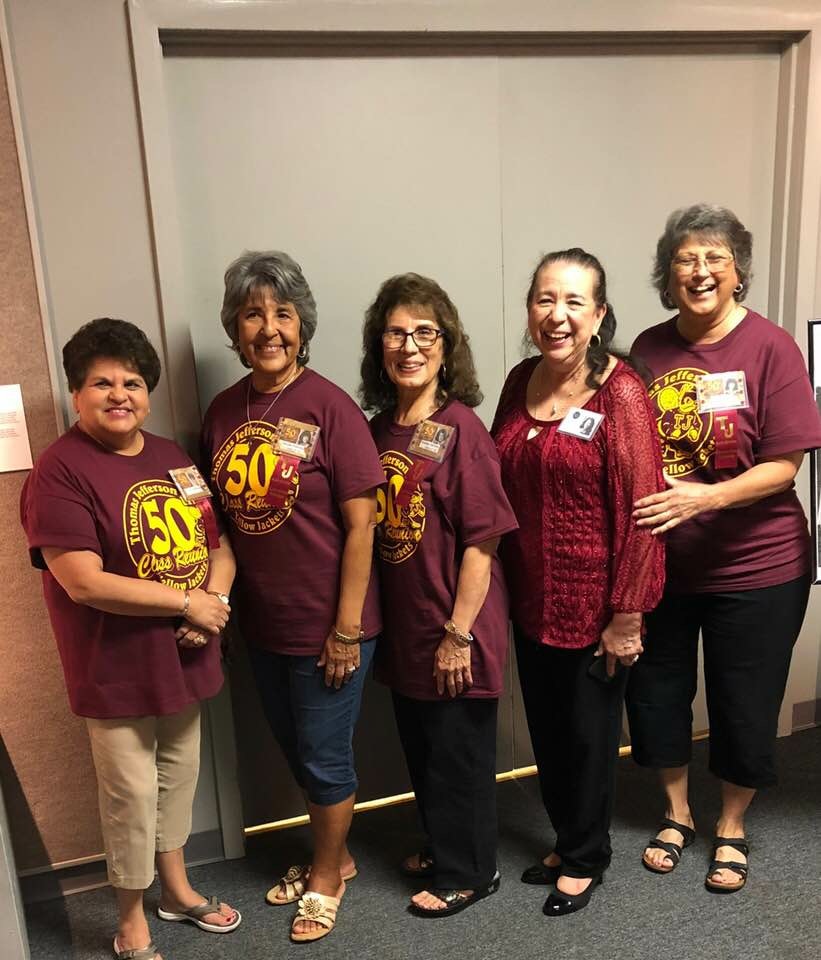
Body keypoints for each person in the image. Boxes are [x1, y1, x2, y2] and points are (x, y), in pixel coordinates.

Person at [20, 318, 240, 960]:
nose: (120, 394)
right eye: (102, 382)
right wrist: (187, 602)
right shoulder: (59, 472)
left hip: (185, 655)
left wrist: (214, 604)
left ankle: (176, 889)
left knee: (178, 778)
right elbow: (83, 581)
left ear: (148, 393)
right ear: (75, 394)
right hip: (112, 665)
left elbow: (218, 544)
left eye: (133, 382)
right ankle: (130, 918)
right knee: (131, 795)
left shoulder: (173, 457)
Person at [627, 204, 821, 893]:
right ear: (666, 273)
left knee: (744, 700)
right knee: (656, 693)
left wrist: (702, 498)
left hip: (758, 567)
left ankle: (731, 824)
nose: (699, 270)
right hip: (664, 565)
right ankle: (676, 813)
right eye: (685, 258)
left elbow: (785, 464)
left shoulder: (770, 348)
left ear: (737, 271)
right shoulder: (646, 350)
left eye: (714, 257)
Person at [201, 251, 384, 943]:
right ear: (235, 327)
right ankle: (331, 856)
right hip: (264, 624)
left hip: (330, 626)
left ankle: (328, 876)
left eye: (281, 313)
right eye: (253, 313)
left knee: (325, 757)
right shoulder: (223, 412)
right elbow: (218, 522)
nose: (268, 328)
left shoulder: (329, 406)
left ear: (302, 324)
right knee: (299, 751)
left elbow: (362, 526)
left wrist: (344, 630)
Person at [492, 248, 665, 916]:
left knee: (590, 737)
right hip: (530, 597)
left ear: (596, 315)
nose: (555, 315)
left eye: (572, 302)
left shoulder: (620, 390)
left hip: (597, 606)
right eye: (543, 299)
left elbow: (643, 510)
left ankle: (588, 855)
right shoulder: (517, 380)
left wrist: (627, 614)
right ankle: (567, 839)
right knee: (549, 732)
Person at [359, 273, 518, 918]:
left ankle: (472, 871)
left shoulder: (462, 430)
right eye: (395, 333)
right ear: (379, 347)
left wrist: (459, 634)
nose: (410, 345)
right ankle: (445, 844)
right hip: (407, 626)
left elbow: (483, 543)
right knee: (425, 752)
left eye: (425, 333)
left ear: (447, 348)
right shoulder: (377, 430)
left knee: (460, 758)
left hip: (457, 625)